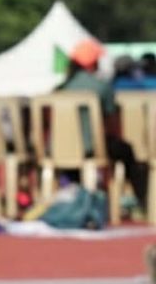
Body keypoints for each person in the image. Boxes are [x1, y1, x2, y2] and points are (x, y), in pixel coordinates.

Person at [58, 38, 148, 214]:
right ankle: (144, 201)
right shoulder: (101, 87)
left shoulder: (62, 88)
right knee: (126, 150)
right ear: (93, 63)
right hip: (94, 147)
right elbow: (112, 123)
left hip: (60, 150)